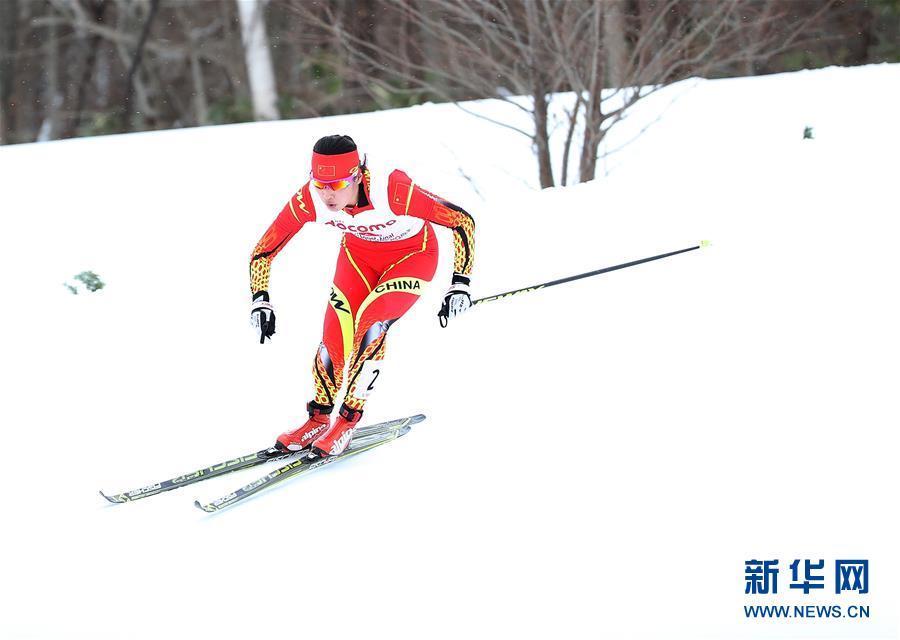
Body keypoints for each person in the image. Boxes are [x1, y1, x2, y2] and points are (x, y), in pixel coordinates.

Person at [249, 134, 476, 457]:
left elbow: (461, 221)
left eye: (338, 184)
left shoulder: (393, 190)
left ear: (357, 175)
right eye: (319, 183)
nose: (328, 194)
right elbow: (264, 249)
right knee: (334, 339)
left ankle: (347, 421)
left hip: (412, 256)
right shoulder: (308, 199)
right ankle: (318, 418)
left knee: (371, 326)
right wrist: (261, 299)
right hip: (358, 259)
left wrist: (460, 283)